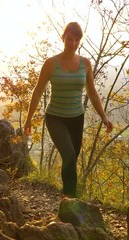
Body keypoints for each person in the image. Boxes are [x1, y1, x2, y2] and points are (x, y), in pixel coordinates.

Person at [23, 22, 114, 198]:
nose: (73, 44)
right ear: (63, 38)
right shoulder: (51, 64)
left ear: (80, 40)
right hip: (55, 117)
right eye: (69, 39)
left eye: (77, 40)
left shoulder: (85, 64)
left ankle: (69, 199)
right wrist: (28, 119)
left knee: (71, 159)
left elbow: (92, 92)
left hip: (76, 118)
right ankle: (71, 198)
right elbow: (37, 91)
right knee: (70, 154)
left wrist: (104, 117)